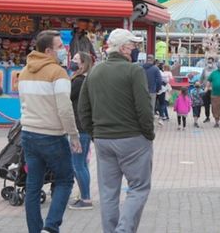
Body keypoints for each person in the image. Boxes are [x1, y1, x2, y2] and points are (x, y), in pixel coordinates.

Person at [78, 28, 154, 233]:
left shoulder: (94, 71)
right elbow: (144, 107)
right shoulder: (133, 71)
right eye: (133, 46)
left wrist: (94, 133)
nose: (135, 49)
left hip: (103, 139)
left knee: (108, 192)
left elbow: (83, 108)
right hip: (132, 137)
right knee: (138, 188)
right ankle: (124, 230)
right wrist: (149, 133)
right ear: (123, 48)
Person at [18, 30, 82, 233]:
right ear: (48, 51)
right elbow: (64, 108)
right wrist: (73, 135)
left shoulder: (25, 71)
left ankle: (35, 230)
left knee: (33, 186)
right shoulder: (58, 72)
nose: (64, 50)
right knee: (64, 179)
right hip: (52, 135)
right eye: (60, 46)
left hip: (28, 133)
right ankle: (51, 227)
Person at [69, 51, 94, 210]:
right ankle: (85, 196)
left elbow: (67, 98)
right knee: (82, 163)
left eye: (76, 59)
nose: (72, 61)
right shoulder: (88, 79)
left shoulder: (78, 81)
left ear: (83, 64)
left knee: (78, 164)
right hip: (85, 126)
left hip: (79, 127)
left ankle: (85, 199)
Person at [142, 55, 163, 120]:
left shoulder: (141, 67)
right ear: (153, 60)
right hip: (152, 91)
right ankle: (149, 121)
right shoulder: (155, 69)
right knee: (151, 106)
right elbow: (159, 80)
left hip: (142, 90)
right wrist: (158, 89)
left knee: (142, 106)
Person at [199, 57, 217, 123]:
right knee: (206, 104)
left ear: (213, 62)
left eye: (211, 62)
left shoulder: (215, 70)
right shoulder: (204, 69)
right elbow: (201, 78)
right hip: (206, 89)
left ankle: (215, 117)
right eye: (209, 62)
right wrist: (199, 84)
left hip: (213, 89)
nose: (210, 63)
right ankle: (207, 117)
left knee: (214, 105)